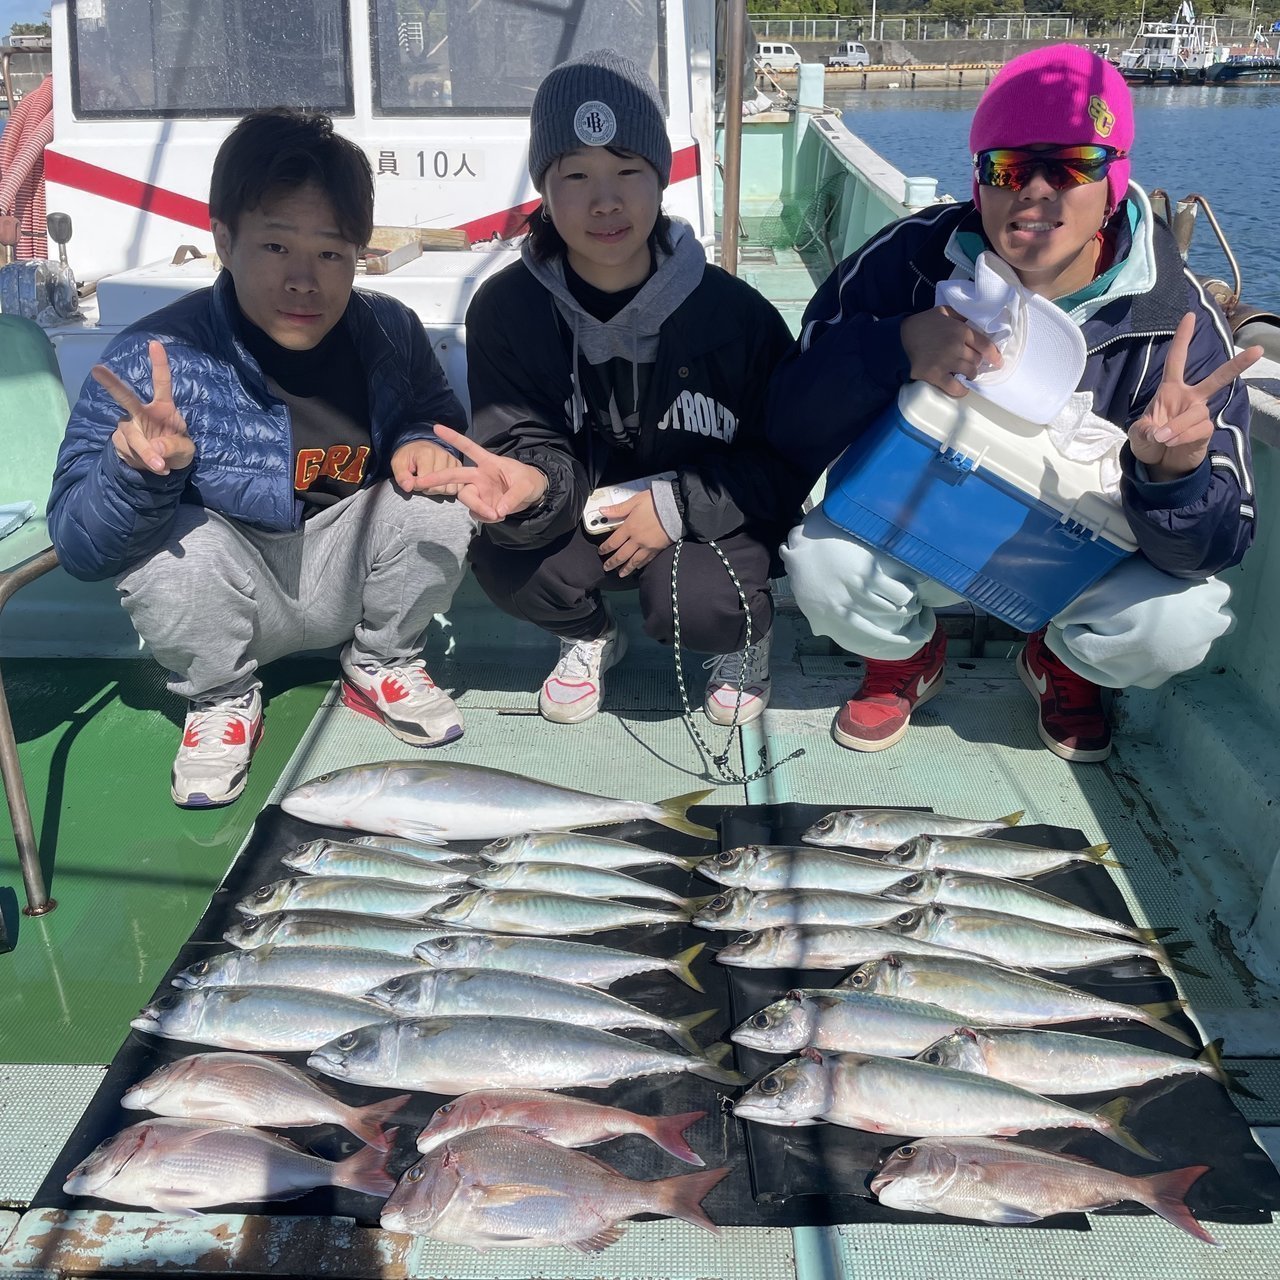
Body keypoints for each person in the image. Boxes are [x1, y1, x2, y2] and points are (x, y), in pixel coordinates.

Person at [768, 45, 1261, 763]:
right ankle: (908, 656)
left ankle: (1059, 662)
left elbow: (1217, 547)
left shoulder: (1177, 318)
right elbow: (787, 418)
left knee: (1180, 621)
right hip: (921, 533)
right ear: (980, 179)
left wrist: (1177, 472)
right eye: (1006, 168)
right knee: (820, 567)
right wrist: (896, 347)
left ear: (1113, 179)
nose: (1035, 192)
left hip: (1073, 557)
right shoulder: (906, 261)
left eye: (1070, 166)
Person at [48, 109, 476, 808]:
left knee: (442, 499)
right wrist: (135, 472)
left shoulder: (389, 331)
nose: (305, 280)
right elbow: (79, 547)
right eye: (276, 247)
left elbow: (433, 419)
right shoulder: (156, 359)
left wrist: (419, 442)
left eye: (332, 253)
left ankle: (383, 660)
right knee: (164, 549)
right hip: (233, 593)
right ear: (224, 239)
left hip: (348, 574)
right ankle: (220, 698)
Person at [415, 49, 807, 726]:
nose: (605, 201)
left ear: (660, 178)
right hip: (583, 510)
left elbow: (785, 461)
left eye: (628, 170)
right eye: (576, 176)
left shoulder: (738, 316)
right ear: (543, 186)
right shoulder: (506, 311)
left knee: (704, 601)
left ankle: (745, 641)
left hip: (703, 521)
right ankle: (591, 634)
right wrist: (533, 486)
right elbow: (523, 439)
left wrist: (679, 504)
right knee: (505, 563)